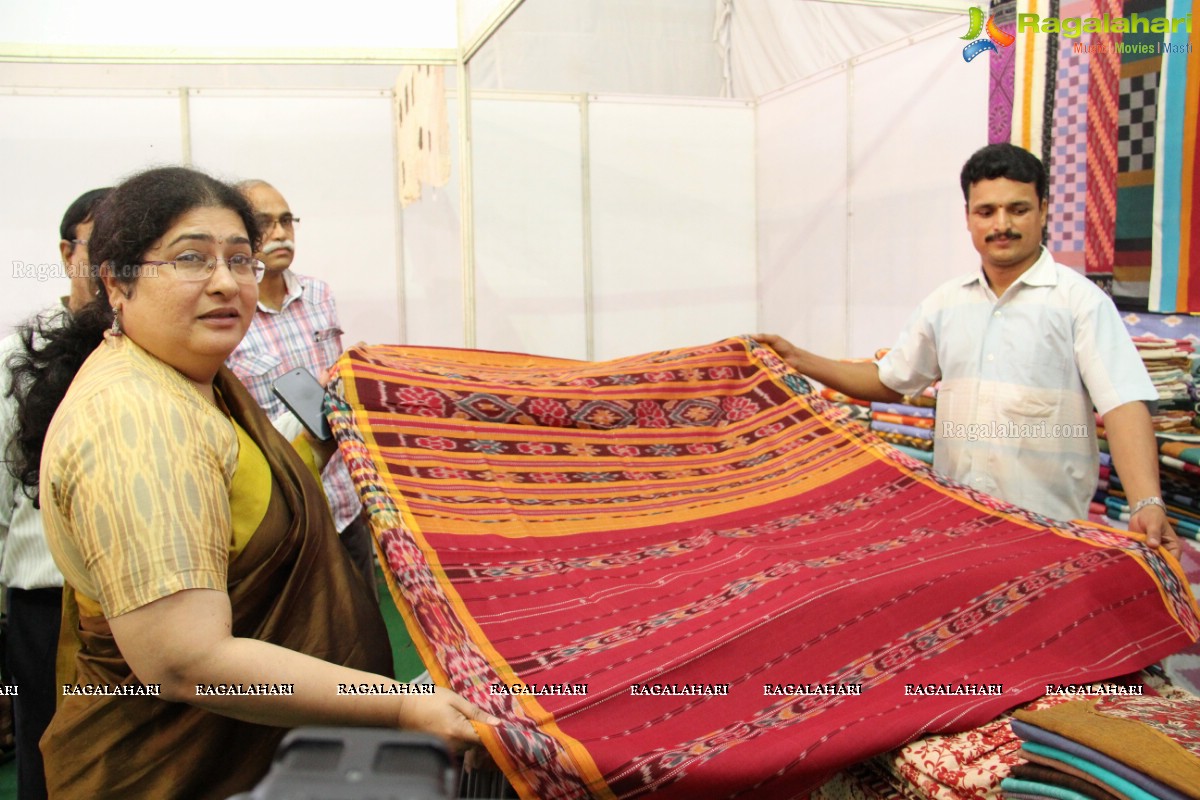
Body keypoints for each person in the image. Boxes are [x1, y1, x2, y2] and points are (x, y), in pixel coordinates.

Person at [8, 167, 496, 799]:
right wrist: (401, 706)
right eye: (191, 259)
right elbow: (189, 662)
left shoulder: (190, 378)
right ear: (116, 282)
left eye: (240, 260)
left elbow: (243, 510)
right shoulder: (136, 420)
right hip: (175, 769)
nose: (225, 282)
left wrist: (315, 448)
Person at [756, 143, 1179, 558]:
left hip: (1046, 531)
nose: (1002, 225)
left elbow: (1122, 403)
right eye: (986, 211)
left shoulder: (1079, 303)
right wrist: (798, 359)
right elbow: (889, 380)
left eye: (1018, 209)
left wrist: (1147, 502)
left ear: (1043, 210)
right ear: (968, 217)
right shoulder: (945, 303)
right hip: (955, 522)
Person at [0, 187, 109, 800]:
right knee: (46, 749)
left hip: (129, 602)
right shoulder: (21, 355)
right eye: (102, 249)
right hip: (45, 596)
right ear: (68, 253)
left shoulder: (154, 349)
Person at [225, 180, 378, 599]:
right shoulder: (226, 312)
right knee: (310, 642)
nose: (280, 233)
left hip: (344, 501)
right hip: (286, 512)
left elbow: (336, 382)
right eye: (265, 224)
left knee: (369, 628)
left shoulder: (318, 294)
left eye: (286, 220)